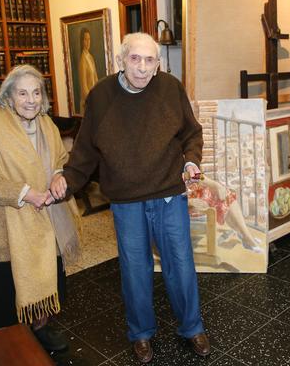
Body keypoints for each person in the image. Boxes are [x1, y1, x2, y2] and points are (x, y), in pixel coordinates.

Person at [50, 32, 210, 364]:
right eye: (134, 59)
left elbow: (191, 132)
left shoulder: (170, 88)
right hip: (126, 201)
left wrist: (191, 160)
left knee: (181, 266)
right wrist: (68, 180)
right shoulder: (101, 97)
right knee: (134, 270)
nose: (141, 67)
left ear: (158, 64)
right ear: (121, 60)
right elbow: (85, 151)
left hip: (168, 194)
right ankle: (141, 334)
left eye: (149, 60)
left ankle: (192, 327)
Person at [0, 64, 81, 352]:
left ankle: (41, 327)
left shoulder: (46, 123)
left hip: (46, 218)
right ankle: (8, 340)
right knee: (5, 289)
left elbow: (60, 158)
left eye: (36, 92)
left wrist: (58, 175)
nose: (31, 100)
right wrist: (24, 193)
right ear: (8, 95)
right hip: (6, 223)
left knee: (47, 274)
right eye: (22, 93)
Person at [186, 176, 262, 252]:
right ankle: (246, 237)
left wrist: (216, 185)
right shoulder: (175, 171)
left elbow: (199, 176)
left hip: (198, 200)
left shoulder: (188, 168)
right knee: (225, 199)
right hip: (186, 209)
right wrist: (190, 202)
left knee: (226, 195)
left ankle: (246, 235)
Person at [78, 27, 98, 113]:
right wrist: (92, 102)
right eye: (85, 40)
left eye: (89, 39)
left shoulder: (90, 57)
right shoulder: (82, 60)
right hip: (87, 103)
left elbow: (96, 79)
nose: (87, 42)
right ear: (82, 41)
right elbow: (84, 87)